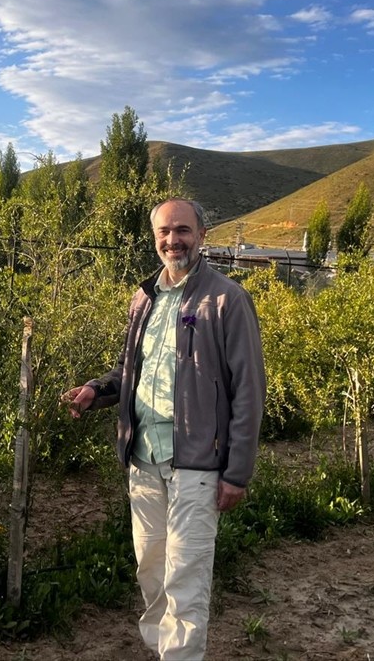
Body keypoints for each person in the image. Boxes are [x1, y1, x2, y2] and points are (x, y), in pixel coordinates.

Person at [62, 198, 266, 660]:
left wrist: (237, 473)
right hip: (143, 460)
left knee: (185, 579)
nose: (173, 240)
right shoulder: (144, 298)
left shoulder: (226, 300)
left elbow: (249, 391)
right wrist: (98, 390)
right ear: (154, 238)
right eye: (164, 232)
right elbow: (130, 369)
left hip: (197, 465)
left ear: (202, 235)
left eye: (183, 230)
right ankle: (164, 653)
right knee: (152, 573)